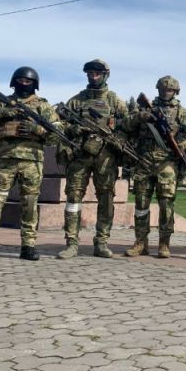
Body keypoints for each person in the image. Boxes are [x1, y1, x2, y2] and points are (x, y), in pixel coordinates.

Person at [0, 67, 62, 261]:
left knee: (30, 204)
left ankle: (28, 246)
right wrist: (3, 113)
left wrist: (37, 129)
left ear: (35, 84)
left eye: (28, 81)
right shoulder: (0, 103)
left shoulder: (43, 106)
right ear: (14, 82)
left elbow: (56, 135)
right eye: (20, 80)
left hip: (32, 162)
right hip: (5, 160)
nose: (24, 84)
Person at [56, 59, 127, 259]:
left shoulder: (115, 101)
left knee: (106, 198)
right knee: (73, 197)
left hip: (106, 157)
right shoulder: (76, 101)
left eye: (97, 73)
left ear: (105, 75)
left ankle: (101, 242)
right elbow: (59, 125)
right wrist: (74, 128)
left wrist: (118, 140)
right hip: (80, 155)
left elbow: (127, 126)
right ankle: (71, 243)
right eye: (90, 73)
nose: (93, 77)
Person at [122, 76, 186, 258]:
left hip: (167, 164)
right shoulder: (145, 108)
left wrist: (183, 144)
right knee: (141, 204)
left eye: (169, 90)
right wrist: (141, 116)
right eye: (162, 89)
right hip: (144, 161)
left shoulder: (182, 112)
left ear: (176, 91)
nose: (165, 92)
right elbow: (126, 125)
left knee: (166, 204)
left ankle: (164, 244)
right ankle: (140, 243)